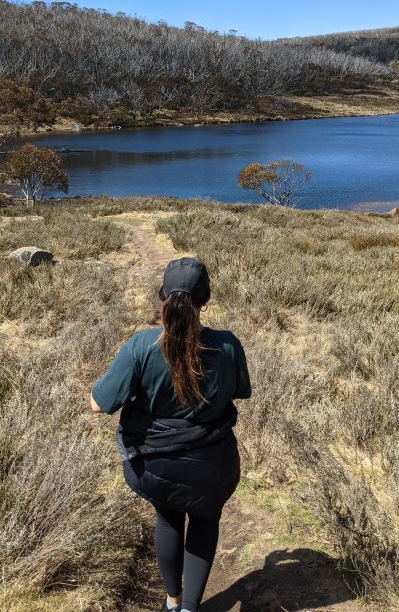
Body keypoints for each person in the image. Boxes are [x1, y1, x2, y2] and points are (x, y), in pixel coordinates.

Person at [91, 257, 251, 612]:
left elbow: (99, 404)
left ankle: (172, 602)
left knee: (168, 518)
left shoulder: (140, 346)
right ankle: (190, 607)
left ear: (162, 296)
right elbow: (241, 390)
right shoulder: (228, 345)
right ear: (205, 299)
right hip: (212, 465)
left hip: (156, 465)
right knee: (206, 521)